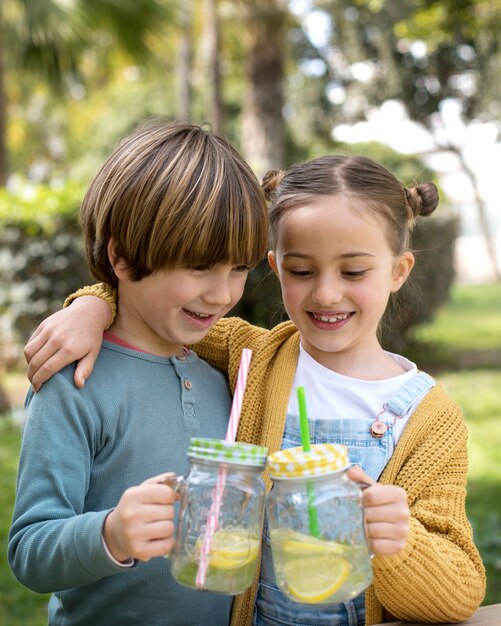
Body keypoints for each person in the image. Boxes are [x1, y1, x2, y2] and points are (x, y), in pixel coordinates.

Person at [23, 155, 486, 626]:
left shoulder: (430, 419)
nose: (326, 294)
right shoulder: (250, 355)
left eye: (353, 272)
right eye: (302, 271)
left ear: (398, 271)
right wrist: (92, 307)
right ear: (276, 267)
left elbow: (459, 595)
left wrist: (399, 543)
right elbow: (153, 305)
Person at [8, 118, 271, 626]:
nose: (223, 294)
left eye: (238, 268)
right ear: (124, 259)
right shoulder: (74, 384)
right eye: (200, 266)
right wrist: (110, 534)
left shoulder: (227, 377)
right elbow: (30, 551)